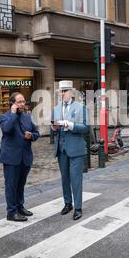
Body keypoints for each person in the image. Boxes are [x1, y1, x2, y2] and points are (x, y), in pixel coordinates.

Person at [0, 92, 40, 222]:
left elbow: (37, 133)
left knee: (20, 184)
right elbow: (7, 129)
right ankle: (11, 212)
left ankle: (20, 207)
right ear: (12, 103)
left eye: (23, 101)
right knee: (11, 185)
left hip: (25, 156)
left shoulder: (28, 117)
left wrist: (31, 136)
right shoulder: (4, 117)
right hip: (11, 157)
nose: (22, 104)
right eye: (19, 102)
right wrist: (12, 113)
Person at [51, 80, 89, 220]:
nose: (62, 94)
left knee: (76, 179)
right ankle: (68, 203)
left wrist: (70, 125)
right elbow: (53, 127)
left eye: (64, 91)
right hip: (61, 149)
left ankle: (78, 207)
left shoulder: (81, 107)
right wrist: (53, 128)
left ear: (71, 93)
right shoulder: (55, 109)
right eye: (60, 91)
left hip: (76, 149)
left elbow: (86, 128)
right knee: (65, 178)